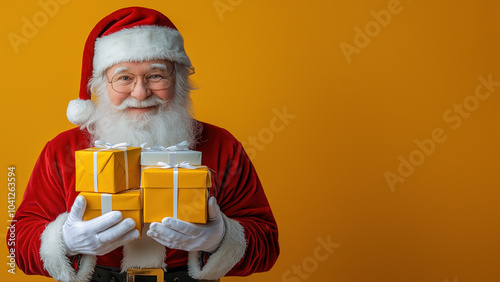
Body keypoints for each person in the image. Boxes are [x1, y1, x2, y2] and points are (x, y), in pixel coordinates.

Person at [10, 6, 279, 282]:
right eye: (124, 77)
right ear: (101, 84)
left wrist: (221, 237)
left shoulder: (222, 146)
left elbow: (267, 244)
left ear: (180, 80)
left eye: (156, 75)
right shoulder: (62, 150)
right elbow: (16, 243)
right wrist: (64, 241)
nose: (140, 93)